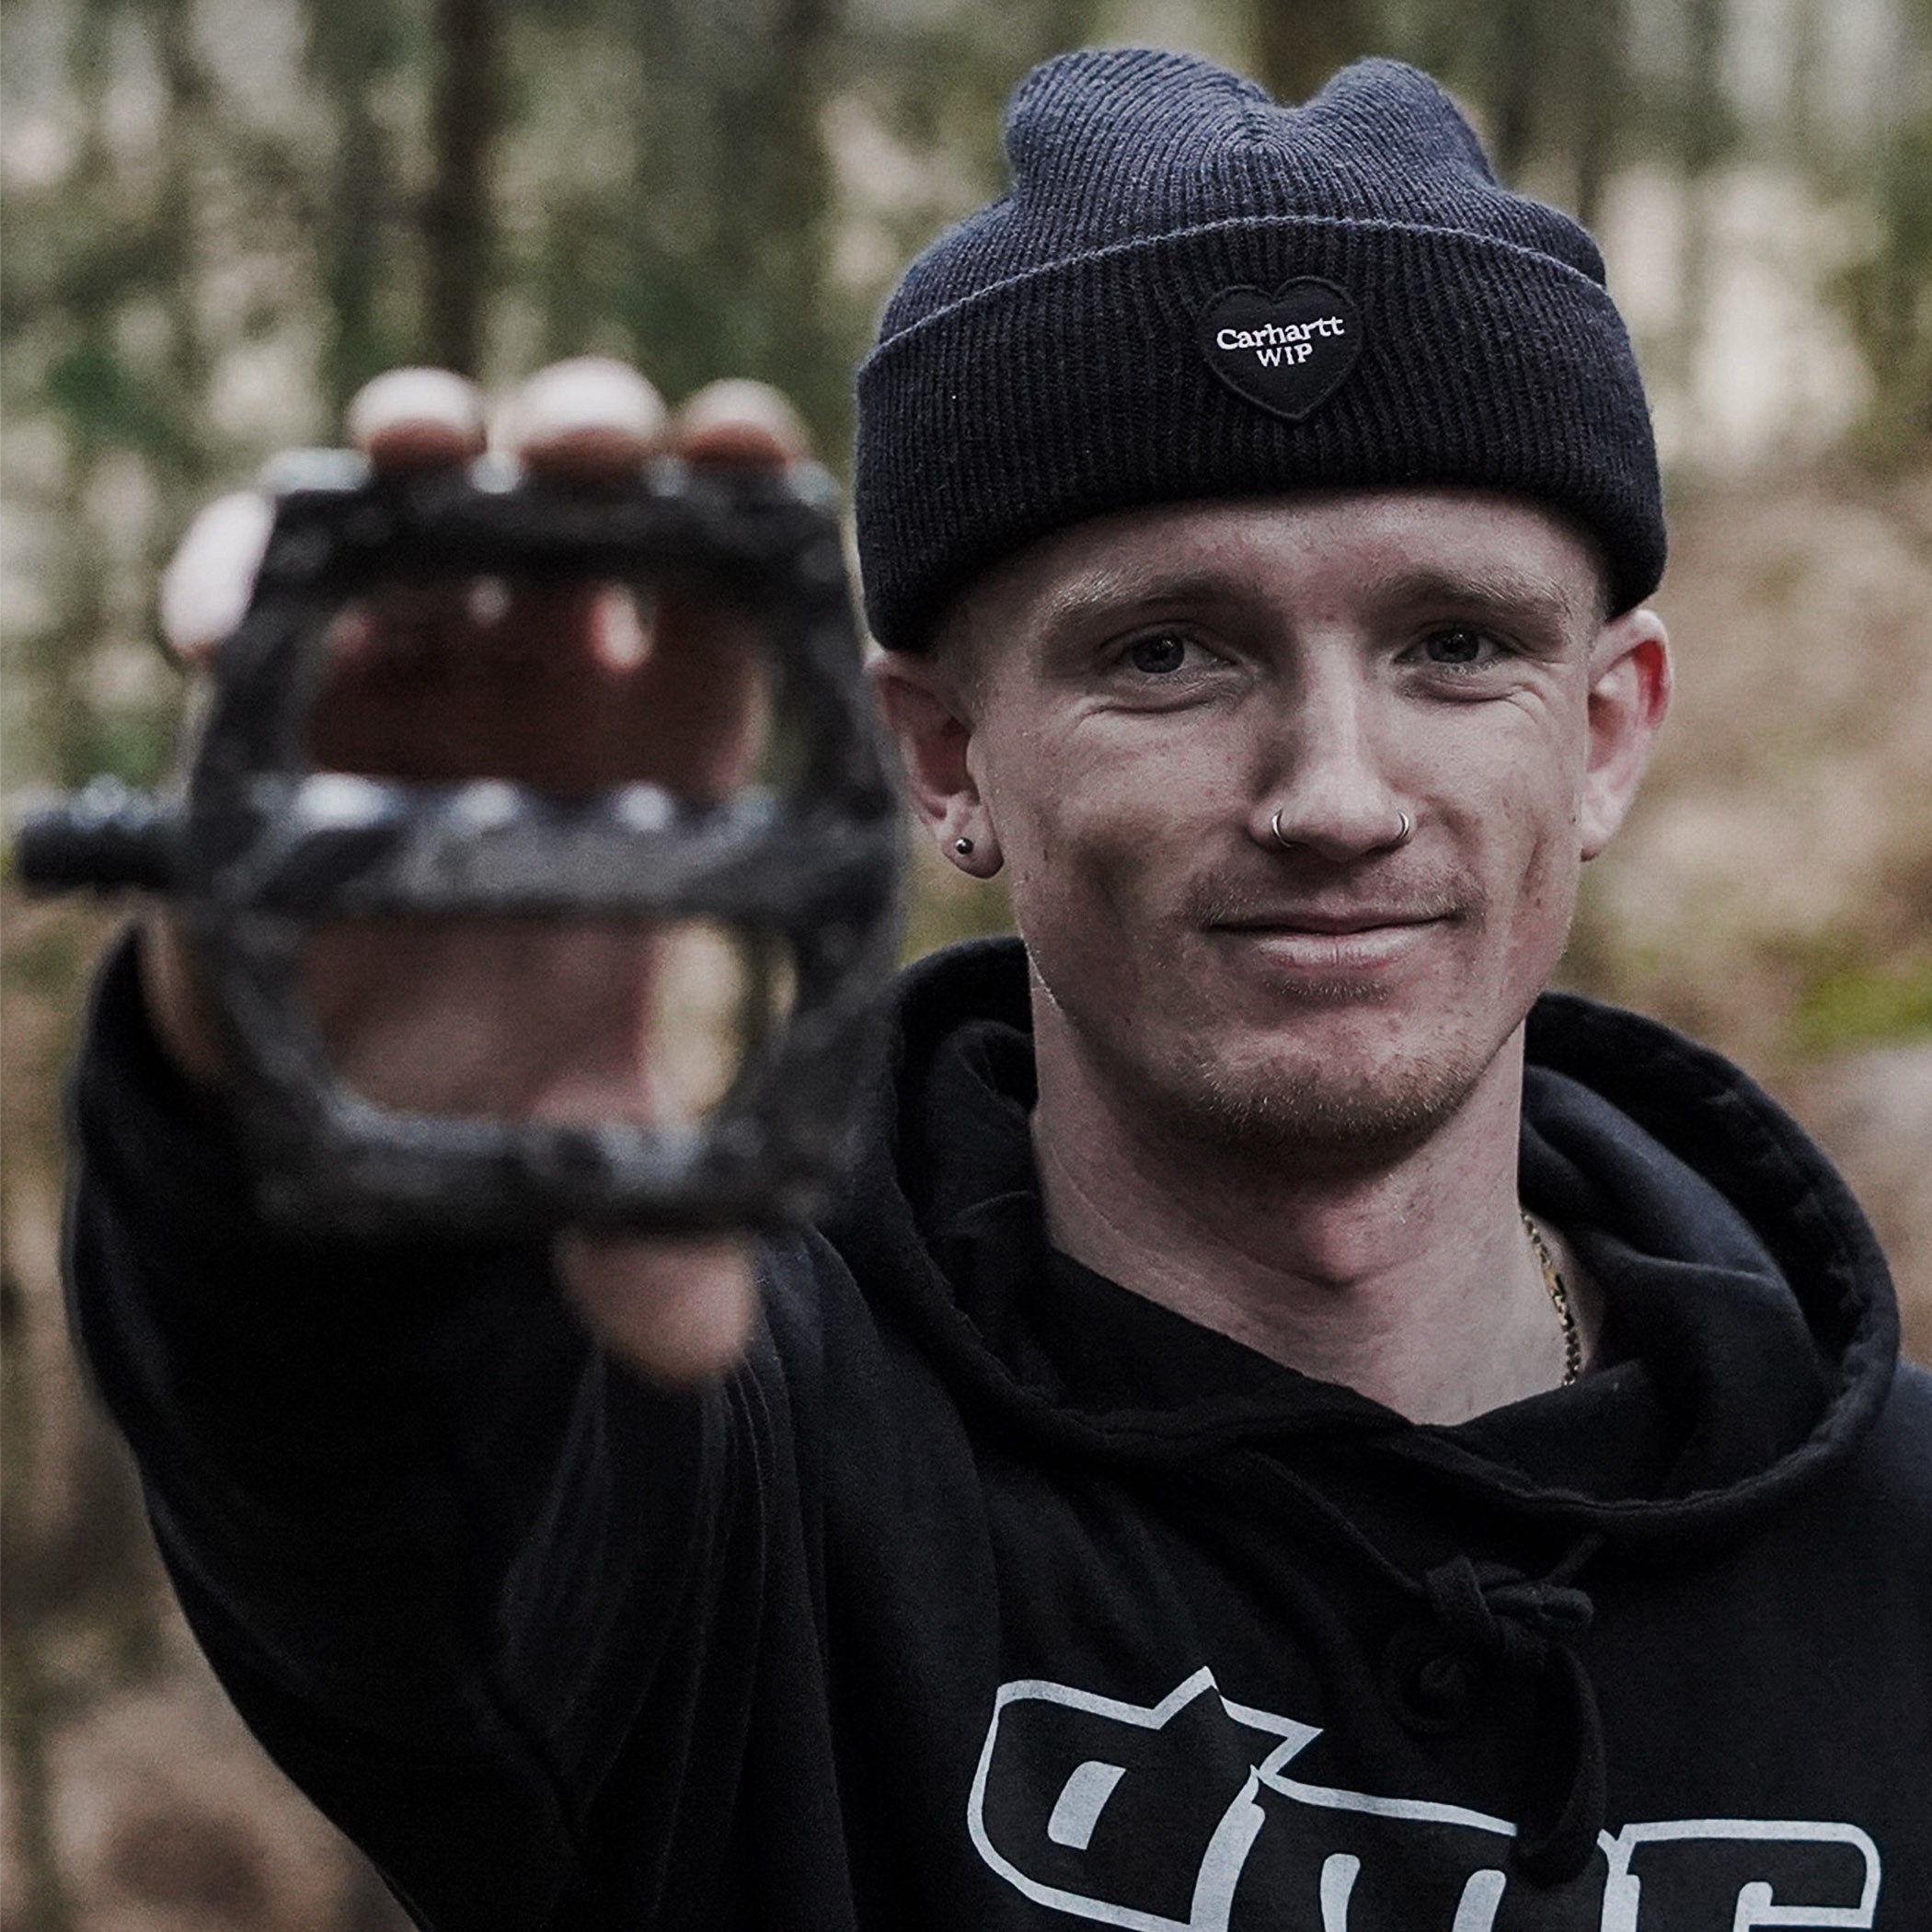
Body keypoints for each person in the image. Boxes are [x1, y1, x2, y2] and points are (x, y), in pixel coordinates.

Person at [64, 46, 1929, 1931]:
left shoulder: (1893, 1555)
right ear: (943, 754)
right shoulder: (737, 1489)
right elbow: (383, 1499)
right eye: (1170, 653)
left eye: (1455, 645)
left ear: (1608, 732)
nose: (1336, 796)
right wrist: (357, 1155)